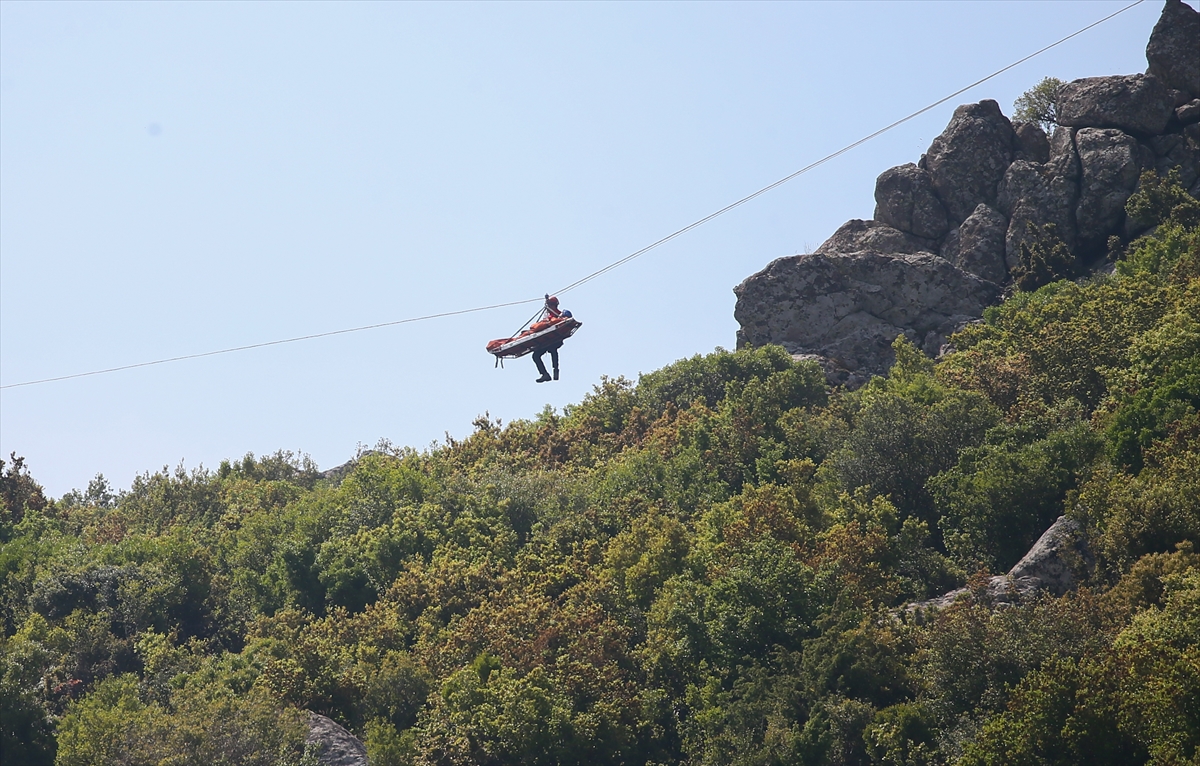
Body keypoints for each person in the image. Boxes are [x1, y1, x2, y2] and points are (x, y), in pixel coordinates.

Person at [533, 295, 564, 383]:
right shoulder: (548, 315)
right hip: (546, 339)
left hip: (554, 338)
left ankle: (555, 370)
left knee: (552, 349)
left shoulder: (558, 314)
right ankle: (544, 374)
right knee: (536, 356)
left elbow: (558, 319)